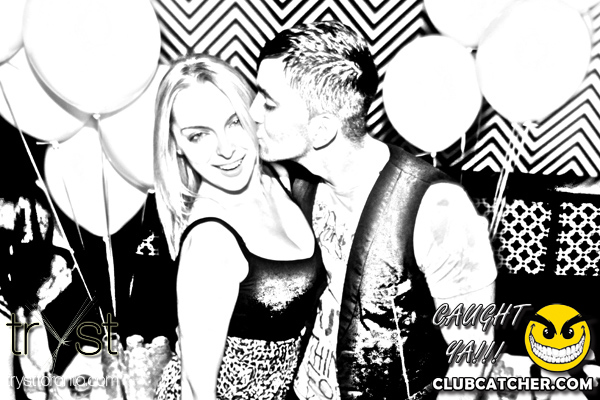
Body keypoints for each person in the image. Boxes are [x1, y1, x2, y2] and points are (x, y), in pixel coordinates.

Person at [249, 21, 498, 400]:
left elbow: (472, 358)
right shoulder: (294, 182)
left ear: (321, 131)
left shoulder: (438, 209)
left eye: (269, 103)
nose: (253, 111)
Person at [153, 53, 327, 400]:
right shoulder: (210, 240)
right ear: (177, 146)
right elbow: (196, 391)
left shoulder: (279, 178)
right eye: (198, 136)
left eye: (234, 122)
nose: (226, 149)